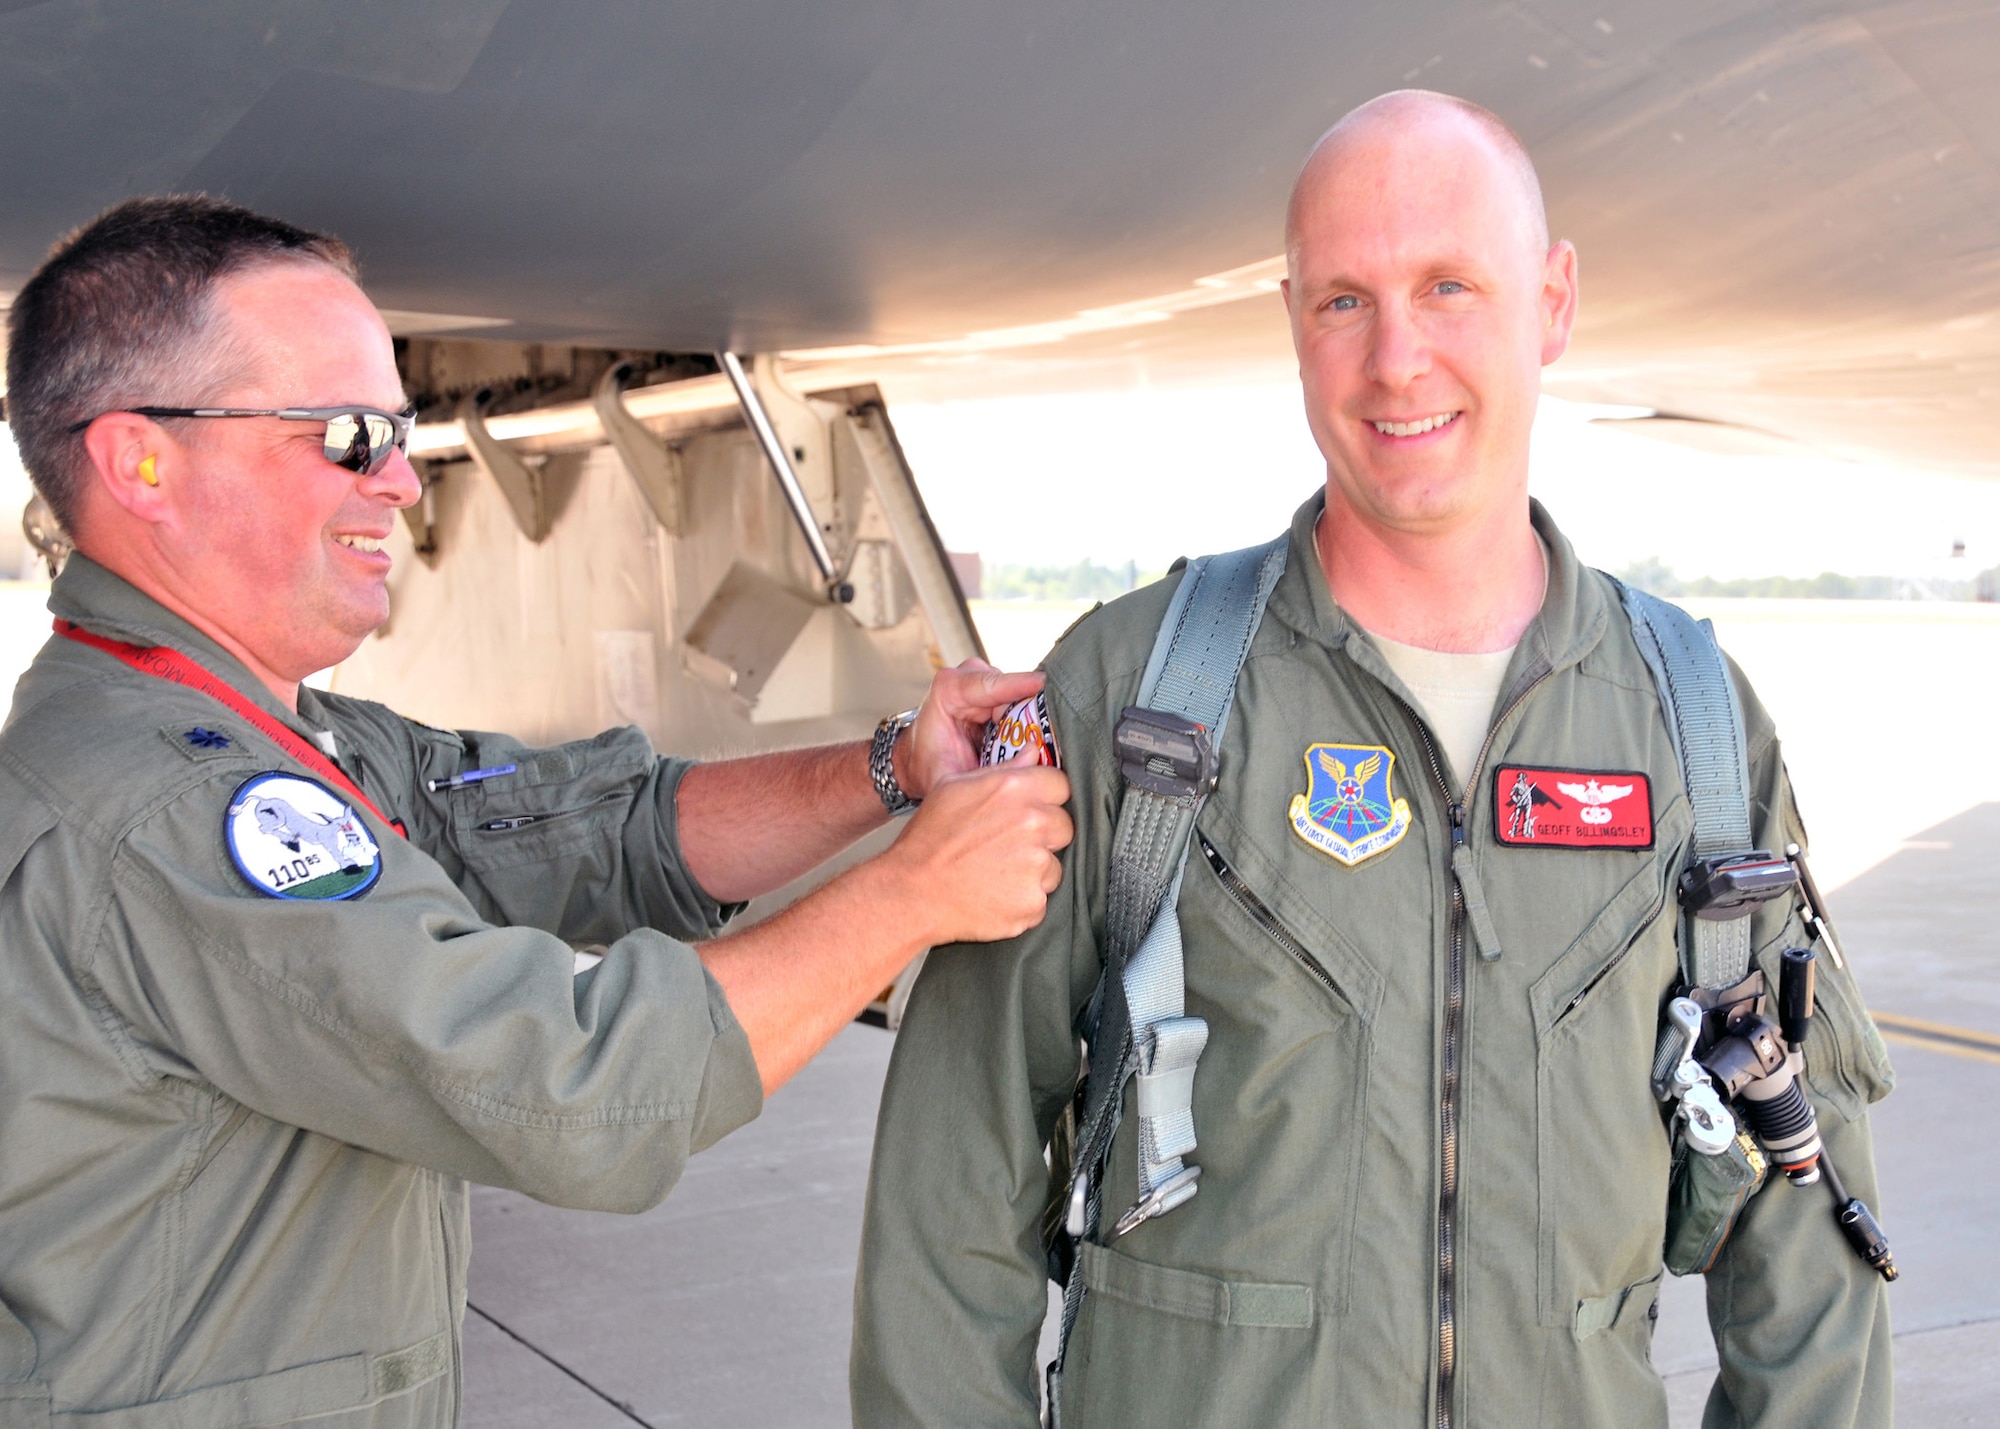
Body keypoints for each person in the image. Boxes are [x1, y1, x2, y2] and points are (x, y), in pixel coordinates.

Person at [852, 91, 1894, 1428]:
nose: (1395, 359)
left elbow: (1804, 1221)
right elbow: (953, 1186)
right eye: (1344, 301)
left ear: (1554, 302)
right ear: (1294, 320)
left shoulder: (1690, 720)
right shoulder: (1134, 697)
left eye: (1449, 286)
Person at [0, 195, 1072, 1426]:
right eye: (348, 434)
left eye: (399, 430)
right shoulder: (184, 808)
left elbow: (585, 829)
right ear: (141, 460)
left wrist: (892, 771)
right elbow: (573, 1092)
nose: (400, 480)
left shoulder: (264, 732)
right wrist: (913, 892)